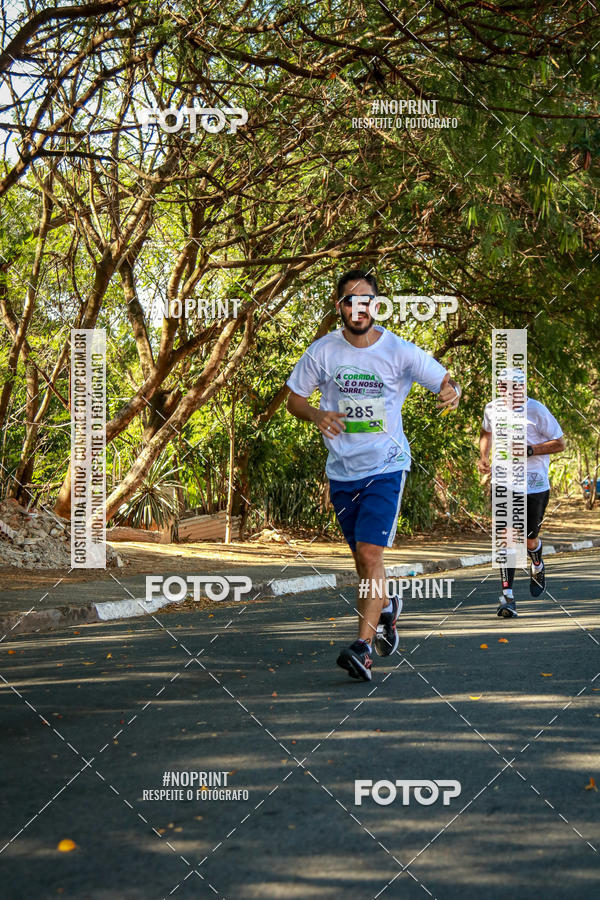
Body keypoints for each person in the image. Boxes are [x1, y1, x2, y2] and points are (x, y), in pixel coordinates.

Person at [286, 269, 461, 681]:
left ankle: (363, 649)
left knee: (369, 556)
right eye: (349, 300)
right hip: (342, 472)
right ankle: (385, 608)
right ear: (339, 307)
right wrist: (316, 414)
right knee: (364, 564)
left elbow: (443, 379)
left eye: (365, 300)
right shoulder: (323, 352)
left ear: (375, 306)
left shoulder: (398, 351)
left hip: (386, 467)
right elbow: (295, 398)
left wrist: (450, 391)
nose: (357, 307)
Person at [478, 368, 565, 618]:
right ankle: (507, 597)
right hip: (504, 481)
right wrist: (483, 456)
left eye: (513, 387)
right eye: (503, 387)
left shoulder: (537, 410)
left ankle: (536, 560)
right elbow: (486, 432)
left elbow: (559, 443)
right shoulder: (492, 409)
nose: (508, 392)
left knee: (528, 538)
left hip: (534, 484)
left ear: (523, 388)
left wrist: (529, 450)